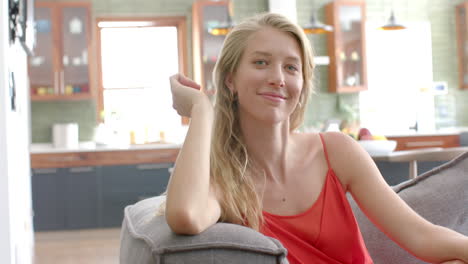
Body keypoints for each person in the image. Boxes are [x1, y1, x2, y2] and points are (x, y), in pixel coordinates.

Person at [163, 12, 468, 264]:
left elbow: (421, 236)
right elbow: (184, 217)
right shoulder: (221, 178)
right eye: (260, 62)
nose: (278, 77)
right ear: (230, 80)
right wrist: (201, 110)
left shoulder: (337, 151)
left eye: (291, 67)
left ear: (302, 83)